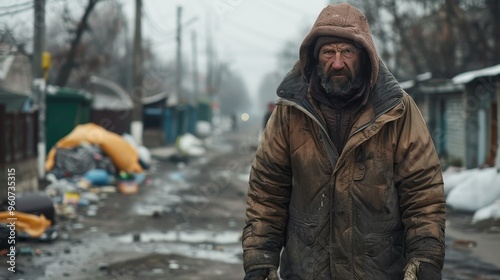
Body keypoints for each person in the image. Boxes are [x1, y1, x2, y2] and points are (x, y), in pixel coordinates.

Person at [242, 3, 446, 280]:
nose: (337, 63)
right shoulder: (290, 111)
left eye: (347, 52)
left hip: (379, 270)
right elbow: (268, 189)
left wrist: (425, 256)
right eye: (328, 52)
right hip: (307, 270)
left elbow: (422, 188)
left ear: (365, 56)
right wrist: (260, 258)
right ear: (314, 58)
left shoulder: (397, 109)